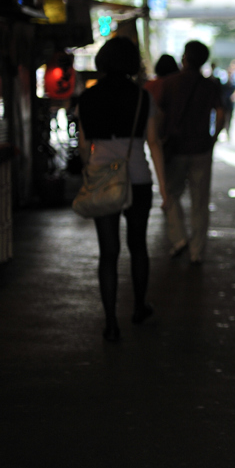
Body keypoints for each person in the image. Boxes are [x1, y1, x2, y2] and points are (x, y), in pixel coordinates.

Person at [77, 37, 168, 342]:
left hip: (103, 179)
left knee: (108, 252)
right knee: (138, 245)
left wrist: (92, 169)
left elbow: (83, 146)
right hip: (137, 178)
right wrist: (165, 191)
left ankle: (110, 322)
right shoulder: (143, 98)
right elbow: (153, 143)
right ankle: (139, 307)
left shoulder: (87, 98)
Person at [160, 40, 225, 264]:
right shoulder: (210, 85)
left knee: (171, 193)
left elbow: (160, 115)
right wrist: (213, 138)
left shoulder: (169, 83)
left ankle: (179, 238)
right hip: (201, 149)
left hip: (176, 148)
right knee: (200, 201)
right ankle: (197, 250)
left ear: (184, 57)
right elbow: (221, 112)